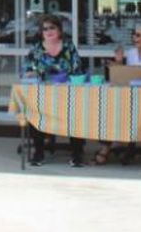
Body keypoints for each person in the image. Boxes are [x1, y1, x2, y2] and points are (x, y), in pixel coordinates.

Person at [94, 19, 141, 165]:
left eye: (138, 35)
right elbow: (127, 76)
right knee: (107, 110)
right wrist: (118, 63)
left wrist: (127, 71)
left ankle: (107, 148)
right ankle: (113, 145)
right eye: (134, 35)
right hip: (129, 96)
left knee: (119, 112)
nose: (134, 38)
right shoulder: (131, 53)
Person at [22, 13, 85, 167]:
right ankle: (38, 153)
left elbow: (77, 69)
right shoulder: (37, 49)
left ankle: (76, 154)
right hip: (44, 95)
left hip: (67, 95)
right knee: (34, 113)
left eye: (52, 27)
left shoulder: (69, 46)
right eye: (45, 29)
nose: (48, 31)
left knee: (75, 115)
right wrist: (32, 72)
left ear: (59, 30)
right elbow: (27, 70)